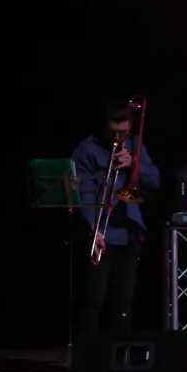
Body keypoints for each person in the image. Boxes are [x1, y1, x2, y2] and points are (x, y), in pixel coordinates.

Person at [72, 101, 161, 337]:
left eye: (123, 132)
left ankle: (119, 358)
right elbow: (83, 192)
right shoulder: (86, 149)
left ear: (130, 126)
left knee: (123, 301)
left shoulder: (134, 145)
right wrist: (93, 227)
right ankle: (89, 360)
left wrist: (134, 164)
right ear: (104, 126)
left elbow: (155, 180)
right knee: (94, 299)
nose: (118, 137)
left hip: (128, 231)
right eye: (113, 132)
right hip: (100, 231)